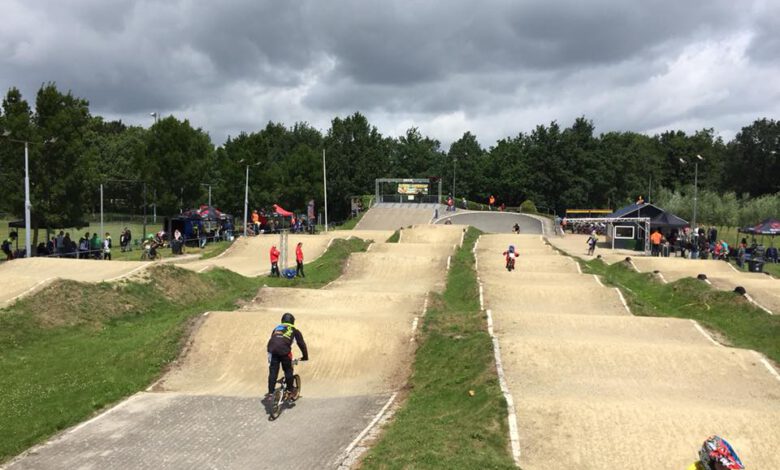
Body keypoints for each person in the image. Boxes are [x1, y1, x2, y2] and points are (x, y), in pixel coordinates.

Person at [265, 312, 309, 401]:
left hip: (272, 350)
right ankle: (290, 390)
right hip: (284, 351)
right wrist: (305, 356)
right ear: (292, 322)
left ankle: (270, 393)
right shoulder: (294, 331)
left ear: (282, 321)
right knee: (288, 370)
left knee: (273, 372)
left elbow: (275, 340)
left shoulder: (276, 328)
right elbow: (302, 344)